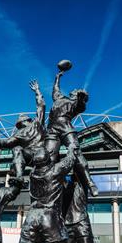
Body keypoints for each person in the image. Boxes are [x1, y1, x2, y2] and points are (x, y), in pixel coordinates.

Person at [44, 69, 98, 197]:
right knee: (49, 158)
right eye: (74, 90)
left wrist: (82, 97)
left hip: (65, 127)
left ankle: (89, 182)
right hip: (52, 129)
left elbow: (82, 105)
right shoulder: (59, 98)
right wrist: (57, 77)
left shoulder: (76, 103)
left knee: (75, 151)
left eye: (76, 91)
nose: (74, 90)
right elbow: (55, 89)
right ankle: (49, 185)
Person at [0, 80, 45, 180]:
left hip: (43, 152)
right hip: (32, 156)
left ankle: (17, 174)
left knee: (17, 149)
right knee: (17, 149)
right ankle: (19, 178)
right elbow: (7, 142)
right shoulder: (20, 133)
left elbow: (41, 106)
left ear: (24, 121)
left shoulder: (37, 123)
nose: (19, 126)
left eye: (19, 124)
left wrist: (37, 91)